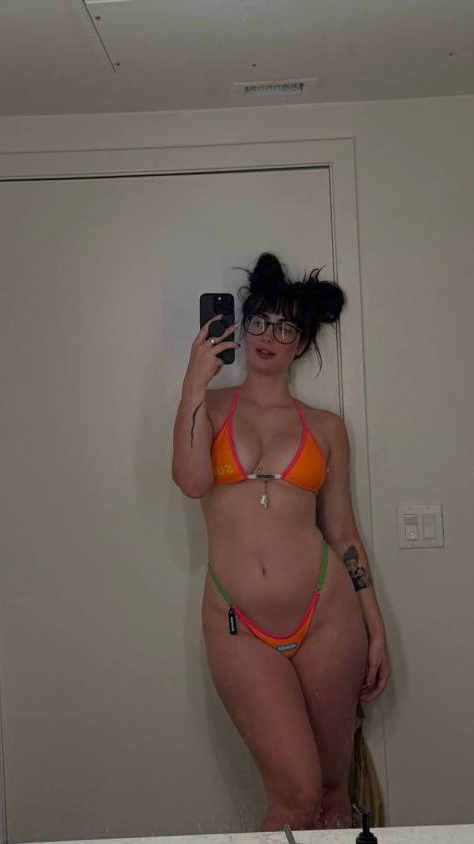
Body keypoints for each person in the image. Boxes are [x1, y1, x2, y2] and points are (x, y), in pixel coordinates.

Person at [171, 252, 390, 831]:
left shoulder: (326, 427)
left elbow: (343, 533)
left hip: (327, 616)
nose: (269, 336)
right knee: (296, 797)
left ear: (303, 344)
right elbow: (191, 482)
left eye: (286, 327)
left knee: (333, 796)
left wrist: (375, 628)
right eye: (261, 322)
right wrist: (194, 379)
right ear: (242, 328)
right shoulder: (211, 407)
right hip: (239, 624)